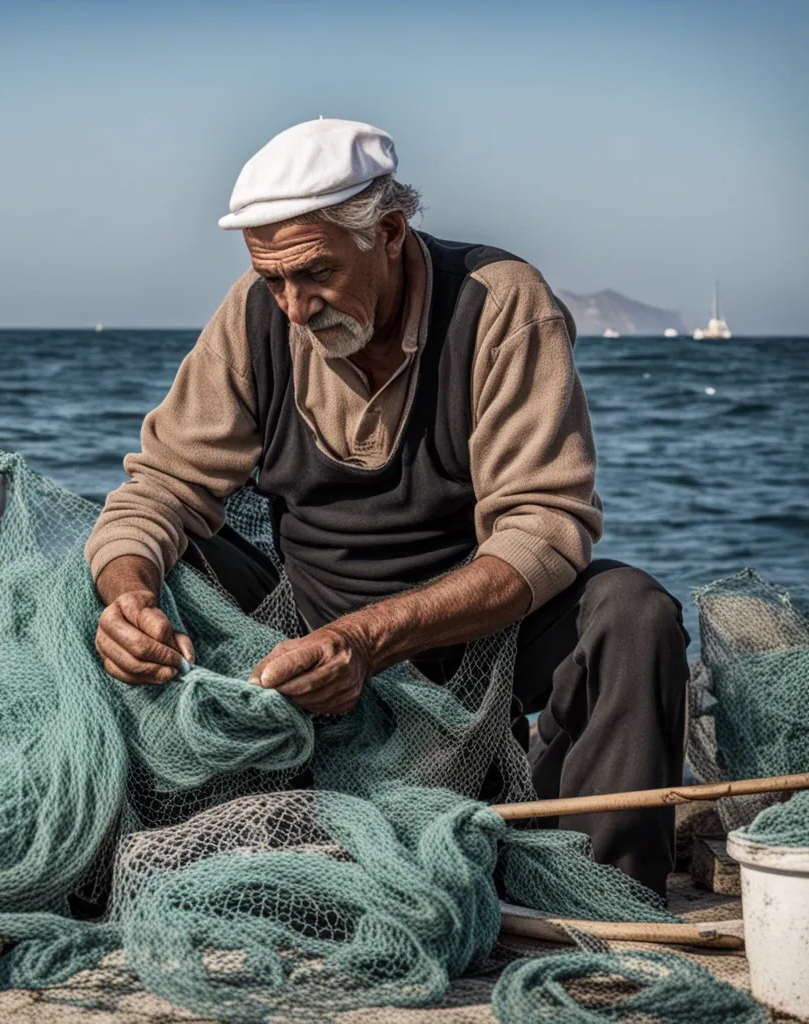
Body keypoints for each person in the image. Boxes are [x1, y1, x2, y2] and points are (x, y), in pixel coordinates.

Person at [85, 118, 689, 895]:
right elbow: (161, 488)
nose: (296, 308)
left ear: (391, 232)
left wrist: (370, 641)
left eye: (316, 274)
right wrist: (129, 593)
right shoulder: (256, 315)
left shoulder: (501, 305)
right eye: (274, 280)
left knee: (632, 612)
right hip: (298, 643)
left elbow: (544, 528)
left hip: (478, 643)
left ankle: (602, 900)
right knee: (124, 572)